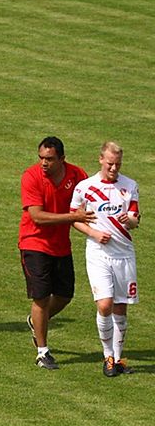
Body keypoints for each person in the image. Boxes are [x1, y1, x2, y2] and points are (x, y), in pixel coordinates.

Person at [18, 136, 93, 369]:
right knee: (40, 297)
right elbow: (37, 216)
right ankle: (43, 352)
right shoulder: (31, 177)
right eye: (41, 158)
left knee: (64, 295)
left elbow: (91, 201)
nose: (43, 163)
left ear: (62, 159)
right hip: (34, 243)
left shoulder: (76, 175)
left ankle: (36, 321)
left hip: (61, 245)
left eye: (49, 159)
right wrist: (74, 217)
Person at [70, 141, 139, 376]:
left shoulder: (129, 186)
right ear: (100, 159)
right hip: (98, 254)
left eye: (118, 164)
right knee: (105, 304)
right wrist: (94, 233)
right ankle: (107, 356)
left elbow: (135, 219)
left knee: (121, 307)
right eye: (110, 163)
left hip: (124, 254)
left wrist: (128, 221)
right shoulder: (85, 187)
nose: (113, 168)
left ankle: (118, 359)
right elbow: (74, 217)